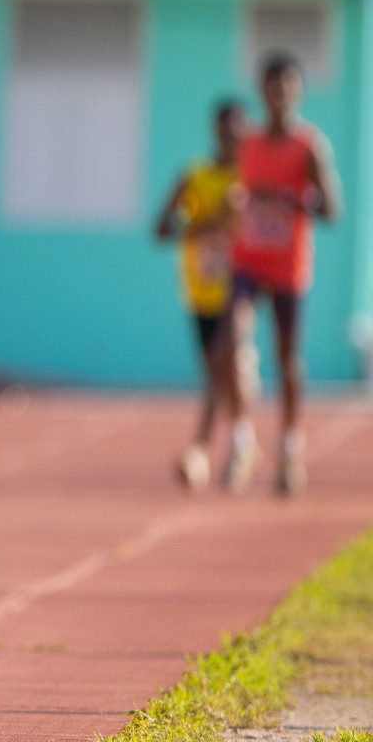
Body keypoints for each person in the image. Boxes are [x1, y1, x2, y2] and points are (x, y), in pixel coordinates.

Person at [222, 52, 340, 495]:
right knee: (233, 343)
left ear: (299, 91)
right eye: (272, 84)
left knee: (287, 360)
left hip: (288, 264)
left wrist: (292, 201)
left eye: (287, 84)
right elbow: (241, 193)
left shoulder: (310, 147)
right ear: (261, 90)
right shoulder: (248, 145)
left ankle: (290, 451)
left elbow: (332, 210)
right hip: (247, 259)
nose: (278, 92)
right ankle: (241, 443)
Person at [153, 100, 248, 491]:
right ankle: (232, 442)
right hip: (200, 289)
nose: (232, 137)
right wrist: (205, 224)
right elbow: (161, 230)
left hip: (241, 285)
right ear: (214, 131)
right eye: (225, 129)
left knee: (230, 358)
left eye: (239, 129)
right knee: (217, 372)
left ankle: (212, 448)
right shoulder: (194, 175)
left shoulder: (250, 179)